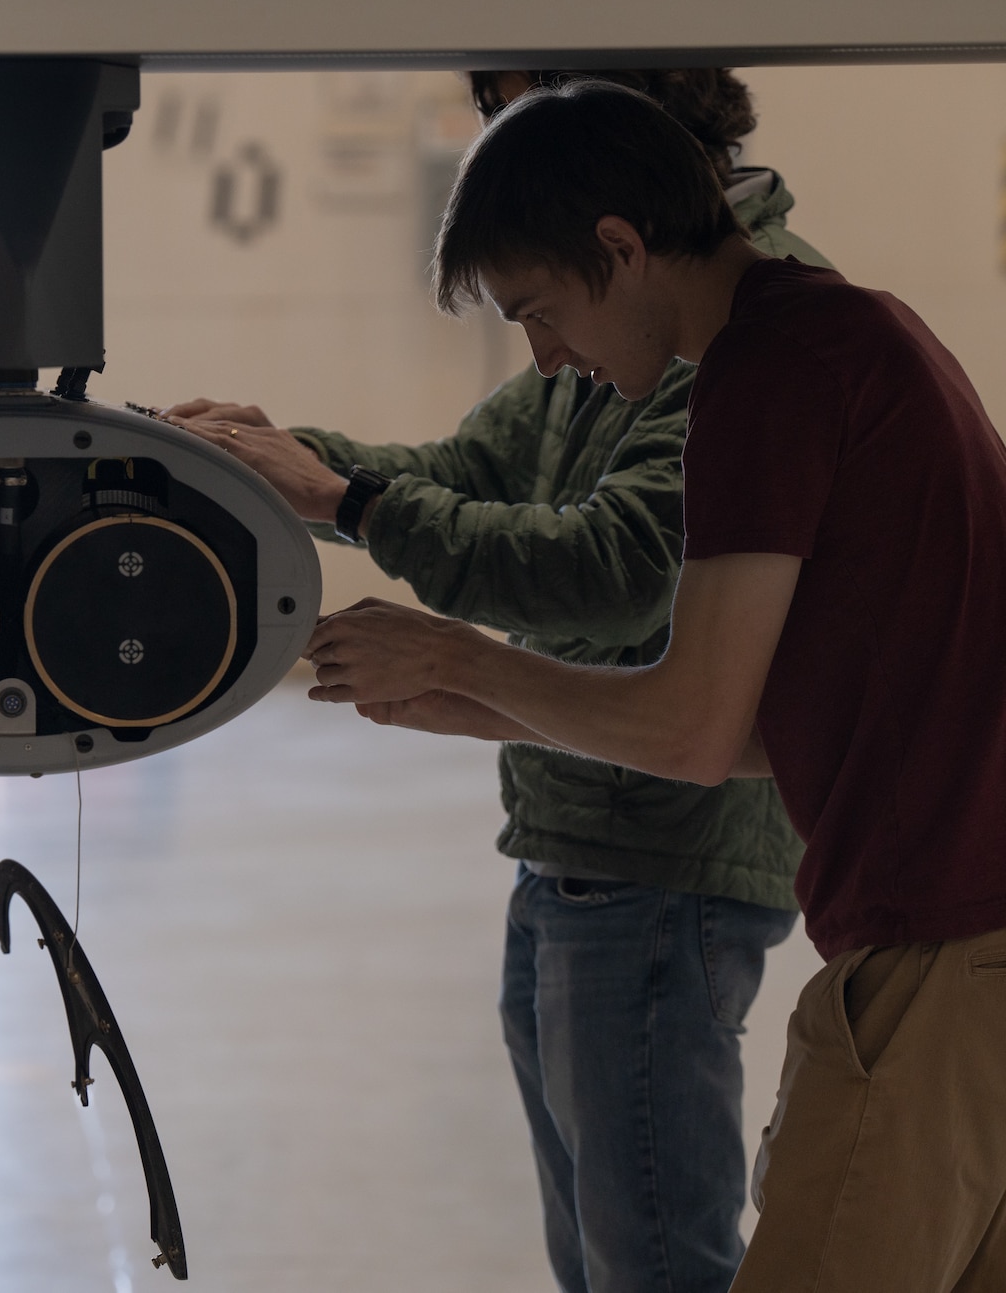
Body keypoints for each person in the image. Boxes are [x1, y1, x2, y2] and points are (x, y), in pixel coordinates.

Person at [310, 78, 1006, 1292]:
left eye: (538, 313)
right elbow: (760, 731)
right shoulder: (849, 331)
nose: (547, 359)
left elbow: (687, 727)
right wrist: (463, 703)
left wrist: (454, 652)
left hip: (941, 948)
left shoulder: (763, 372)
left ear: (619, 248)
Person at [169, 70, 821, 1293]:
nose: (541, 351)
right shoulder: (620, 319)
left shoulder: (742, 333)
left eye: (525, 114)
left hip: (661, 857)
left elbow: (617, 571)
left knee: (654, 1261)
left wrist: (358, 517)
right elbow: (468, 473)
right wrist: (285, 462)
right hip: (575, 833)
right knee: (598, 1251)